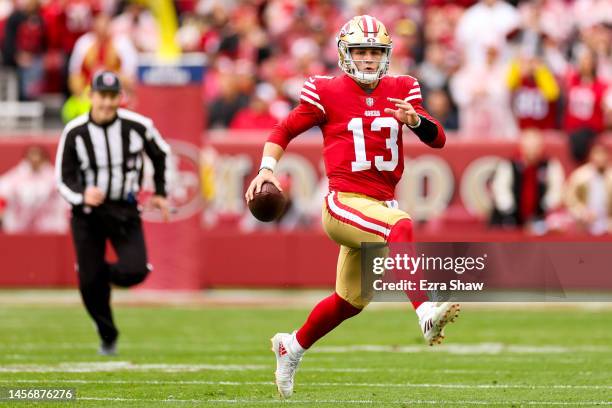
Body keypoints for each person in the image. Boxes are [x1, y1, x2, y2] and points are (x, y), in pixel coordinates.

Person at [245, 15, 458, 399]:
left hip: (378, 205)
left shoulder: (403, 87)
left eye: (375, 51)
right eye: (360, 51)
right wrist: (266, 169)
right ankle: (425, 311)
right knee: (401, 225)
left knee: (351, 301)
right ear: (345, 53)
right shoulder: (326, 90)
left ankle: (290, 346)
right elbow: (284, 129)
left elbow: (438, 138)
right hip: (343, 203)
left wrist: (416, 122)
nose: (368, 59)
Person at [55, 71, 171, 356]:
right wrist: (82, 195)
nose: (107, 103)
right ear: (90, 96)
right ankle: (107, 333)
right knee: (89, 286)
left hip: (124, 209)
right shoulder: (75, 131)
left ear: (120, 97)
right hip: (88, 213)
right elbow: (62, 178)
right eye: (102, 96)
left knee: (134, 271)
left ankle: (95, 274)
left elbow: (161, 153)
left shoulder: (138, 126)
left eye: (112, 96)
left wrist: (159, 192)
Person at [0, 146, 68, 233]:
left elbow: (65, 201)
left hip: (49, 228)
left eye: (38, 155)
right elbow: (3, 194)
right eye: (32, 155)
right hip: (19, 227)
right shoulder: (15, 177)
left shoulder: (55, 178)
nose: (35, 159)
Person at [565, 143, 612, 235]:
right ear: (591, 157)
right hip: (584, 221)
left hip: (608, 222)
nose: (600, 159)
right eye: (597, 155)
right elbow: (570, 199)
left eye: (602, 155)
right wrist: (582, 213)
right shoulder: (580, 176)